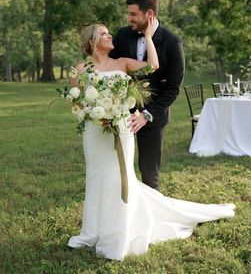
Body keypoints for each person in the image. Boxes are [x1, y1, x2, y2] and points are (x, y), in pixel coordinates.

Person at [67, 21, 235, 261]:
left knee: (120, 176)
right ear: (92, 41)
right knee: (96, 175)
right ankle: (92, 230)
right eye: (104, 34)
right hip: (94, 132)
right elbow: (75, 100)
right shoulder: (81, 68)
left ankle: (120, 229)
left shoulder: (122, 63)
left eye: (109, 33)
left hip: (122, 128)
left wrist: (148, 36)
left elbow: (153, 66)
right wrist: (95, 113)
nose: (110, 36)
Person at [109, 0, 185, 191]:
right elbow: (111, 66)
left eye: (133, 14)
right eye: (129, 14)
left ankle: (153, 218)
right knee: (116, 168)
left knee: (149, 174)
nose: (129, 18)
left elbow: (173, 89)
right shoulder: (123, 35)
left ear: (149, 14)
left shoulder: (172, 42)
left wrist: (146, 115)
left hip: (153, 117)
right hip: (121, 113)